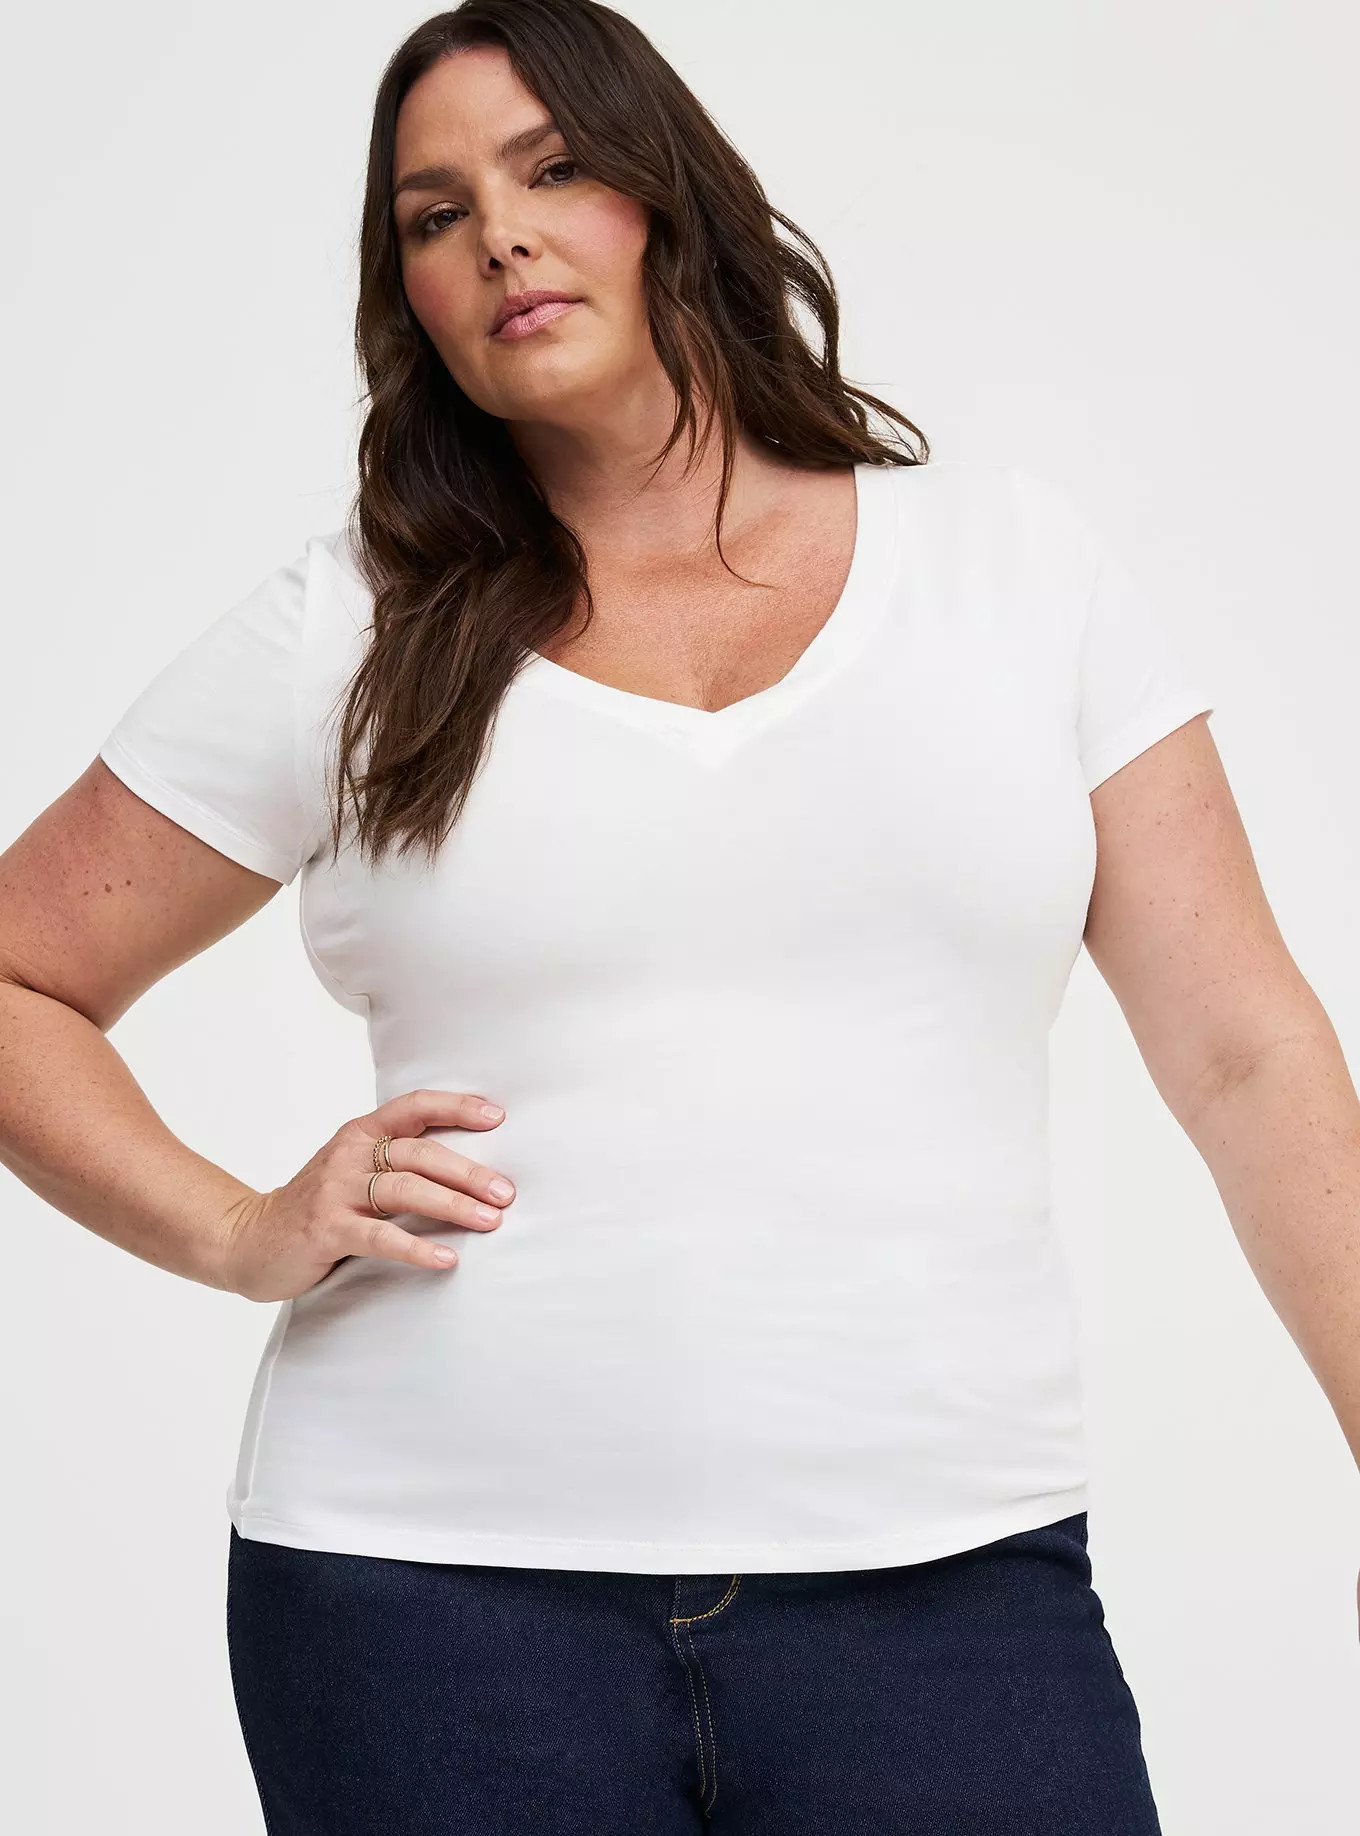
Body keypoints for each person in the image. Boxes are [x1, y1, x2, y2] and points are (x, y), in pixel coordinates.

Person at [6, 2, 1359, 1831]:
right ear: (411, 295)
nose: (500, 236)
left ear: (669, 198)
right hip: (423, 1607)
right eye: (435, 215)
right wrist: (237, 1229)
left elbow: (1248, 1054)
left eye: (553, 168)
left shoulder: (1012, 576)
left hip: (948, 1583)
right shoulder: (352, 629)